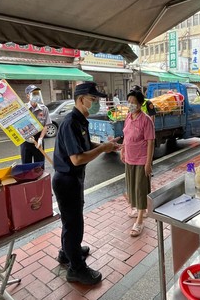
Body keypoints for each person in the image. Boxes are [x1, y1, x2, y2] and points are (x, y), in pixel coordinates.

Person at [52, 82, 119, 285]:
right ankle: (76, 269)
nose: (96, 103)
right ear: (81, 100)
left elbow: (86, 145)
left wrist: (106, 147)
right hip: (67, 180)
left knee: (70, 221)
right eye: (93, 99)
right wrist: (102, 149)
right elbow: (77, 159)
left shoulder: (81, 120)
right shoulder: (71, 122)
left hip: (73, 179)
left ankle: (67, 252)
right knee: (74, 225)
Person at [120, 89, 154, 237]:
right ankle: (138, 209)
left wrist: (148, 163)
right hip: (129, 158)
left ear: (140, 104)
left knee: (140, 189)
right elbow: (125, 136)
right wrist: (122, 150)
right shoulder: (128, 117)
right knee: (132, 186)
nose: (131, 105)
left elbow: (151, 142)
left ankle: (140, 220)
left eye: (133, 102)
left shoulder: (146, 120)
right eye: (129, 102)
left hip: (141, 160)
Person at [21, 85, 51, 164]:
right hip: (26, 139)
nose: (36, 95)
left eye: (37, 93)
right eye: (34, 93)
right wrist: (25, 136)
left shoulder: (44, 109)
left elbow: (46, 125)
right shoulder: (22, 108)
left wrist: (40, 139)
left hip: (38, 139)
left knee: (39, 165)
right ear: (28, 96)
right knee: (26, 166)